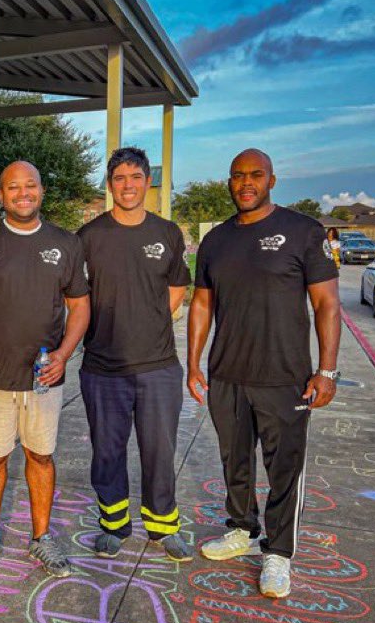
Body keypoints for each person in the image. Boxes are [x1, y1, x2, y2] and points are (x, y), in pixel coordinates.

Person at [187, 149, 341, 599]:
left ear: (272, 180)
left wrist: (326, 370)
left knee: (284, 469)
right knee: (234, 460)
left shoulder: (303, 231)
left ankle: (278, 552)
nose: (246, 183)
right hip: (227, 374)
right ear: (229, 181)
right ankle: (241, 529)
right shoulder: (215, 241)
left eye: (255, 175)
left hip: (285, 377)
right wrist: (194, 363)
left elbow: (327, 304)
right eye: (237, 176)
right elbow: (202, 304)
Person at [0, 160, 90, 587]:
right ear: (1, 195)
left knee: (41, 456)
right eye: (13, 187)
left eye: (30, 185)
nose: (23, 193)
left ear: (42, 190)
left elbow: (80, 306)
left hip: (44, 378)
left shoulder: (66, 243)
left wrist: (64, 355)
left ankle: (41, 538)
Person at [77, 147, 193, 562]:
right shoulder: (89, 237)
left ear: (147, 182)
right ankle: (114, 525)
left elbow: (177, 287)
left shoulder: (167, 232)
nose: (128, 185)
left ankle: (163, 527)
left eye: (136, 177)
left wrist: (150, 320)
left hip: (158, 365)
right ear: (110, 185)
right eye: (119, 178)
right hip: (102, 366)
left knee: (159, 451)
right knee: (108, 451)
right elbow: (75, 295)